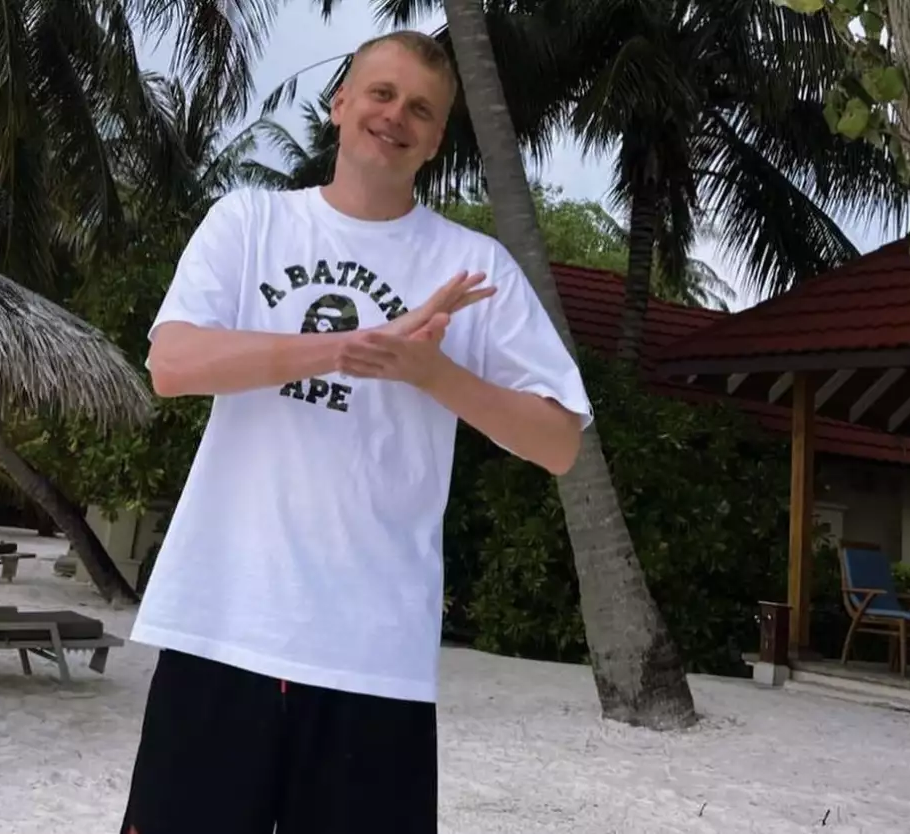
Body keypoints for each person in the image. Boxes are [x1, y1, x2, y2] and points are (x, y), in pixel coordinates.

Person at [121, 29, 593, 834]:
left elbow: (559, 441)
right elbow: (173, 363)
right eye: (381, 93)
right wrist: (348, 348)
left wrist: (432, 374)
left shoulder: (473, 269)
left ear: (436, 140)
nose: (396, 116)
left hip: (374, 658)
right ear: (340, 103)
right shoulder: (250, 221)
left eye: (421, 109)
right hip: (221, 627)